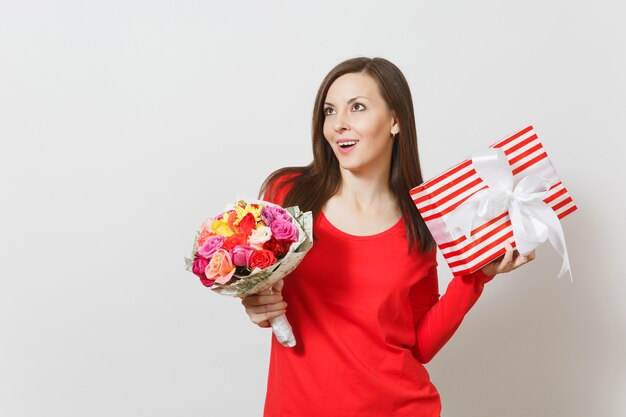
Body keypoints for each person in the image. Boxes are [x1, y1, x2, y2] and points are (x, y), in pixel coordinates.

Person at [241, 57, 535, 417]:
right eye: (329, 111)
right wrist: (255, 301)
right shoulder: (287, 194)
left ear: (395, 120)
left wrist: (476, 276)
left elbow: (420, 346)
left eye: (357, 107)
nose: (339, 125)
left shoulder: (421, 222)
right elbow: (260, 283)